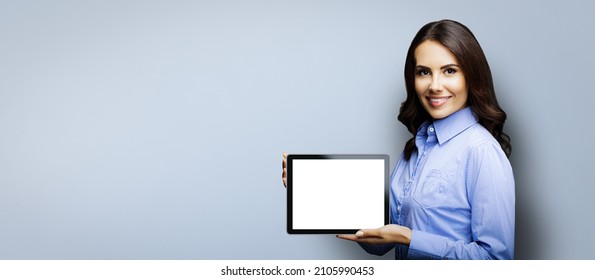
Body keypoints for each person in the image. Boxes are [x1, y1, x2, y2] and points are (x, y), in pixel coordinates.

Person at [282, 19, 515, 259]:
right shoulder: (415, 148)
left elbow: (495, 259)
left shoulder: (481, 150)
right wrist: (311, 193)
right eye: (424, 72)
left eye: (449, 71)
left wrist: (409, 238)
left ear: (471, 76)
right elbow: (382, 240)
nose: (435, 85)